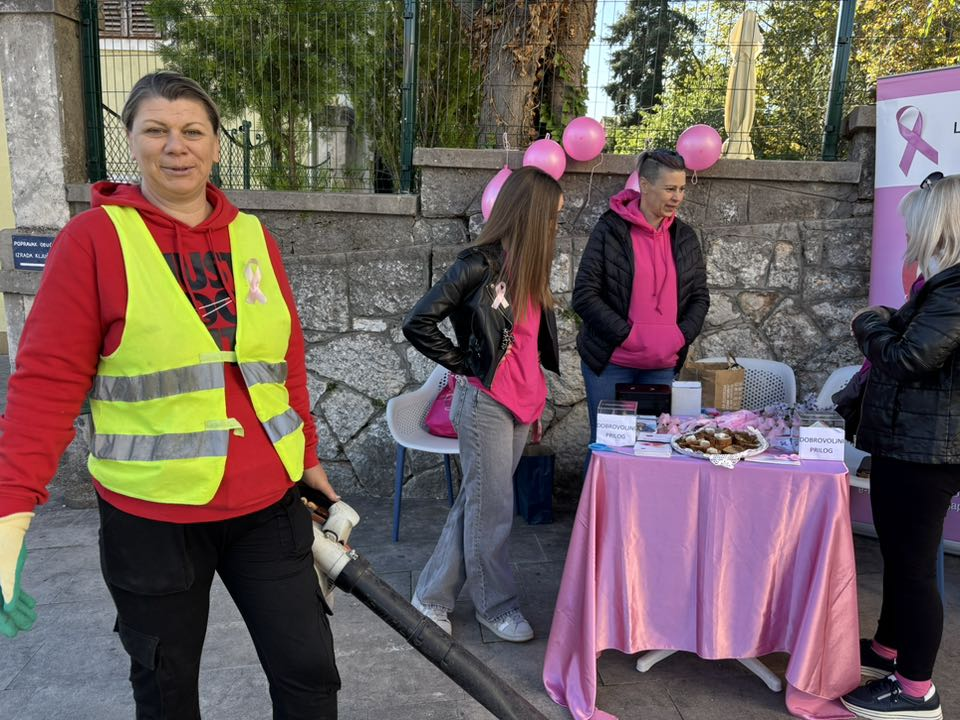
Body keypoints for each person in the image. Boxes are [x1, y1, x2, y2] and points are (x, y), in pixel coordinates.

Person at [0, 71, 341, 718]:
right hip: (151, 519)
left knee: (309, 673)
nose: (176, 146)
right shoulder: (95, 242)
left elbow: (283, 363)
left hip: (267, 504)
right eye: (156, 130)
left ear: (216, 145)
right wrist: (9, 521)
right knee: (165, 687)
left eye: (193, 131)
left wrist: (310, 465)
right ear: (132, 141)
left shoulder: (252, 237)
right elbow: (43, 388)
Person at [402, 166, 562, 642]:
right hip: (485, 403)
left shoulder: (532, 269)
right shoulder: (479, 265)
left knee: (479, 503)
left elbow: (529, 345)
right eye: (551, 218)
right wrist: (464, 365)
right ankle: (497, 606)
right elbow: (419, 322)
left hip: (519, 404)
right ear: (529, 215)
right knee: (491, 510)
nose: (556, 227)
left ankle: (431, 595)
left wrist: (533, 405)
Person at [840, 171, 960, 720]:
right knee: (899, 559)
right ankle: (889, 650)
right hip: (909, 443)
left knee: (913, 569)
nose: (910, 234)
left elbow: (911, 359)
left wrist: (869, 323)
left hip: (924, 451)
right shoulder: (942, 288)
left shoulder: (955, 289)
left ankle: (915, 691)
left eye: (917, 224)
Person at [572, 148, 709, 444]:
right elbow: (584, 295)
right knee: (609, 447)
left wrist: (679, 337)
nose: (677, 197)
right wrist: (628, 336)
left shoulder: (685, 236)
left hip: (661, 366)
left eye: (682, 189)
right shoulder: (610, 229)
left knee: (655, 447)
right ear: (645, 186)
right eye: (670, 188)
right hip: (610, 363)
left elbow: (699, 296)